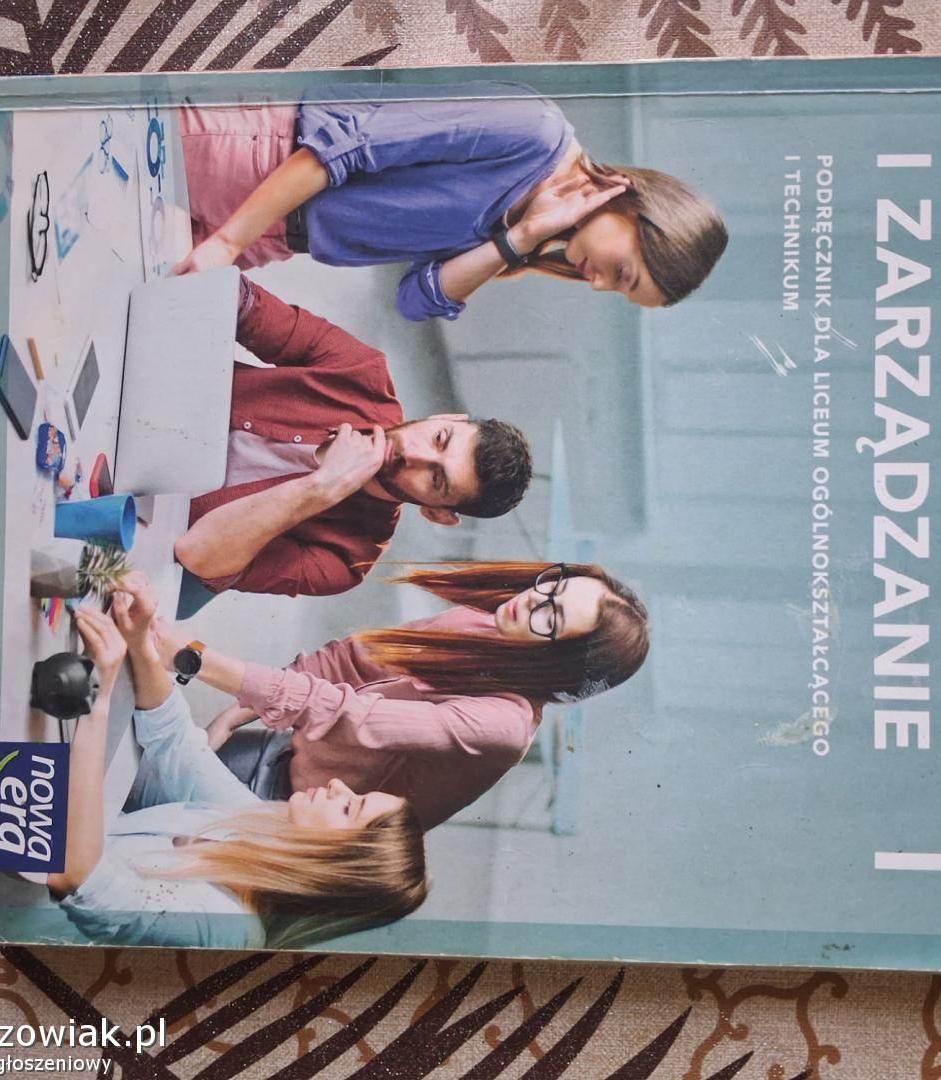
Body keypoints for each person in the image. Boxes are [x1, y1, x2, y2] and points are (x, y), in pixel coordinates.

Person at [148, 561, 650, 831]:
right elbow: (350, 660)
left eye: (552, 618)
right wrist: (233, 716)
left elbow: (351, 715)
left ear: (561, 662)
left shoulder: (503, 726)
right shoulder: (480, 625)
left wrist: (194, 657)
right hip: (280, 756)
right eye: (553, 587)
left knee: (113, 820)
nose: (532, 600)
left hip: (287, 821)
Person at [48, 594, 427, 949]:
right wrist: (140, 642)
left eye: (349, 808)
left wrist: (100, 692)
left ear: (338, 866)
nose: (338, 786)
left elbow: (77, 875)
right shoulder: (256, 826)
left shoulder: (227, 928)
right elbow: (176, 744)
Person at [170, 84, 728, 321]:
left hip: (271, 237)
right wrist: (229, 241)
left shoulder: (531, 231)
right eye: (624, 274)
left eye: (619, 292)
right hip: (254, 160)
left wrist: (516, 242)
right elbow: (346, 145)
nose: (600, 285)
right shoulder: (534, 131)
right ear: (632, 208)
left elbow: (415, 302)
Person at [174, 274, 532, 598]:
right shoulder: (362, 372)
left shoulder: (346, 561)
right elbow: (239, 301)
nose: (413, 453)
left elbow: (197, 555)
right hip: (155, 396)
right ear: (446, 417)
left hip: (144, 516)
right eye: (440, 438)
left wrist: (318, 490)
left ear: (437, 514)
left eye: (436, 478)